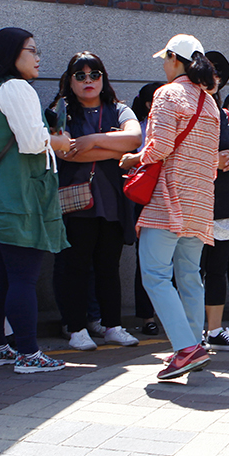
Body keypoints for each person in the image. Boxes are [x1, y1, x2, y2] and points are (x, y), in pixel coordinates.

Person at [0, 28, 72, 374]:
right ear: (13, 54)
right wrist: (58, 141)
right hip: (18, 200)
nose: (38, 56)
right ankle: (28, 354)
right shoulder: (16, 88)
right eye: (32, 50)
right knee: (23, 278)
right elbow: (30, 142)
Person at [119, 35, 221, 380]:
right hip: (200, 202)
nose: (163, 65)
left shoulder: (167, 94)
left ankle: (186, 348)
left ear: (176, 59)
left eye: (165, 59)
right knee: (190, 276)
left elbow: (159, 146)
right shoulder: (210, 102)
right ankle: (194, 343)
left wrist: (134, 158)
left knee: (155, 275)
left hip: (169, 199)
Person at [49, 51, 142, 351]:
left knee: (108, 266)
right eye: (80, 75)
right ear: (69, 80)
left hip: (112, 199)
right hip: (75, 200)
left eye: (95, 74)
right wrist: (113, 149)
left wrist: (89, 141)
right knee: (74, 267)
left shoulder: (118, 108)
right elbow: (64, 151)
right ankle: (76, 329)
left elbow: (135, 139)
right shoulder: (60, 109)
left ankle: (112, 325)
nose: (88, 80)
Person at [199, 52, 229, 353]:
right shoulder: (184, 108)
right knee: (188, 269)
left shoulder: (225, 114)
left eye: (218, 72)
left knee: (217, 269)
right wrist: (213, 162)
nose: (214, 77)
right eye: (208, 71)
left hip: (223, 200)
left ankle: (214, 330)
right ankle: (189, 333)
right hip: (192, 200)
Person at [130, 81, 162, 336]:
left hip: (172, 197)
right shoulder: (138, 130)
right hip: (144, 200)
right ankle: (146, 316)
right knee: (147, 261)